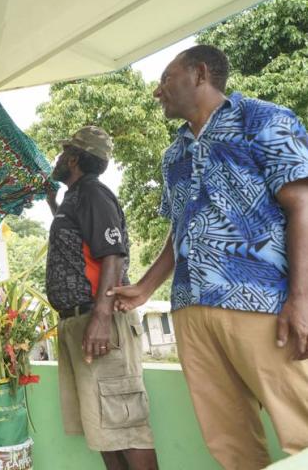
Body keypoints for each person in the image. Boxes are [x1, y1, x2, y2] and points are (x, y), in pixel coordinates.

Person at [109, 45, 308, 469]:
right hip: (191, 309)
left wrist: (301, 298)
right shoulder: (173, 154)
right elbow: (180, 228)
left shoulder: (264, 120)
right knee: (230, 443)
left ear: (199, 74)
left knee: (302, 426)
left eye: (166, 79)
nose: (157, 92)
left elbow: (302, 206)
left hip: (262, 302)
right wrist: (146, 288)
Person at [45, 126, 158, 470]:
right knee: (104, 431)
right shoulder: (75, 198)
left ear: (75, 159)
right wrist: (53, 205)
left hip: (99, 323)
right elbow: (82, 247)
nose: (59, 158)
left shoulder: (93, 194)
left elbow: (113, 254)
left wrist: (101, 318)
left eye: (64, 153)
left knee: (126, 429)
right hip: (81, 322)